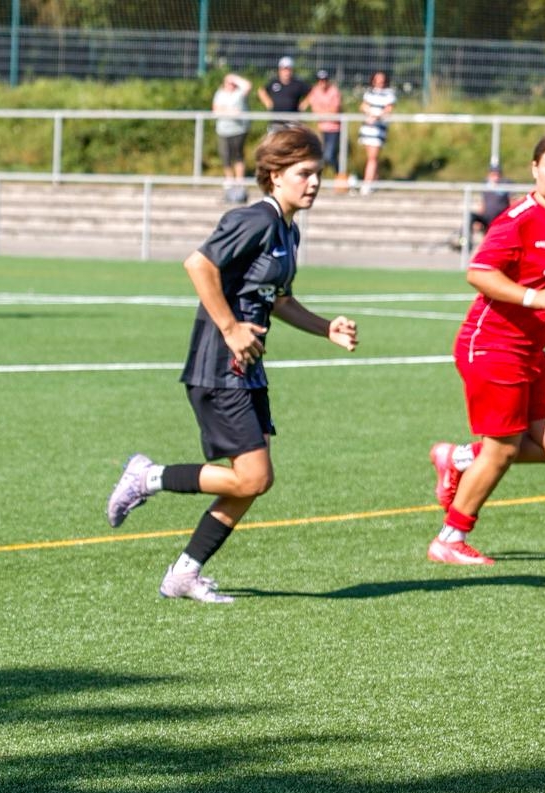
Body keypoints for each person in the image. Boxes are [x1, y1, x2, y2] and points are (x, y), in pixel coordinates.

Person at [105, 127, 359, 604]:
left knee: (254, 481)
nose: (314, 183)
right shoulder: (254, 219)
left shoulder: (288, 229)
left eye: (318, 173)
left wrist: (326, 327)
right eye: (304, 173)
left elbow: (279, 300)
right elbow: (198, 264)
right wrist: (230, 327)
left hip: (247, 369)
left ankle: (185, 573)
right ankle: (147, 477)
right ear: (275, 175)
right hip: (219, 366)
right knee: (253, 478)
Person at [427, 130, 545, 566]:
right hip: (493, 345)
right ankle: (449, 538)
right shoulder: (517, 219)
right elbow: (479, 272)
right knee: (502, 449)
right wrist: (530, 297)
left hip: (530, 350)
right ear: (534, 169)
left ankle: (458, 457)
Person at [212, 72, 253, 203]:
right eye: (228, 82)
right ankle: (229, 185)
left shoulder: (239, 93)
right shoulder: (220, 94)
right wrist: (231, 112)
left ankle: (239, 184)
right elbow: (216, 110)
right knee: (226, 157)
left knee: (238, 157)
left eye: (232, 83)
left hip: (238, 130)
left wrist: (234, 78)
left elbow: (248, 86)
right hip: (223, 131)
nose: (230, 85)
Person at [357, 71, 395, 195]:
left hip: (378, 129)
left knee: (372, 158)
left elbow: (388, 109)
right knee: (372, 158)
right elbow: (363, 106)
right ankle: (374, 180)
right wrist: (370, 113)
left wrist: (377, 116)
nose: (379, 82)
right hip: (367, 128)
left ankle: (367, 183)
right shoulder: (369, 92)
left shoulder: (389, 94)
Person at [301, 69, 343, 172]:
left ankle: (340, 173)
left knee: (329, 155)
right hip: (320, 128)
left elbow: (334, 111)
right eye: (320, 80)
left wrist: (320, 111)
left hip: (333, 129)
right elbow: (305, 106)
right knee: (318, 155)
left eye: (324, 80)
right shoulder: (315, 91)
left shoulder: (334, 91)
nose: (322, 82)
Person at [464, 161, 511, 248]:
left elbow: (512, 201)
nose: (495, 177)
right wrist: (478, 220)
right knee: (470, 216)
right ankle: (466, 241)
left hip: (500, 218)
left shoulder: (505, 185)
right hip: (487, 218)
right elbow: (483, 203)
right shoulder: (486, 186)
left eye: (497, 174)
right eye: (493, 174)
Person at [257, 57, 310, 129]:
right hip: (276, 120)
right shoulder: (274, 82)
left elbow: (312, 93)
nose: (286, 72)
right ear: (279, 70)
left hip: (293, 121)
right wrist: (268, 102)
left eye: (289, 69)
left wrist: (304, 104)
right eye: (284, 69)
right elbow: (261, 91)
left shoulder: (298, 83)